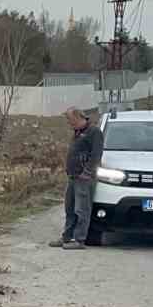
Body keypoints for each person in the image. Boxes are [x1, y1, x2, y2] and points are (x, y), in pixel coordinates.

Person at [50, 107, 103, 249]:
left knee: (82, 209)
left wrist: (87, 172)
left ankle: (79, 240)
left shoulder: (94, 132)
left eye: (71, 120)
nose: (69, 124)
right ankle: (66, 237)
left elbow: (96, 155)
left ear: (80, 117)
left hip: (84, 178)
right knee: (70, 208)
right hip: (73, 177)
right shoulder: (78, 131)